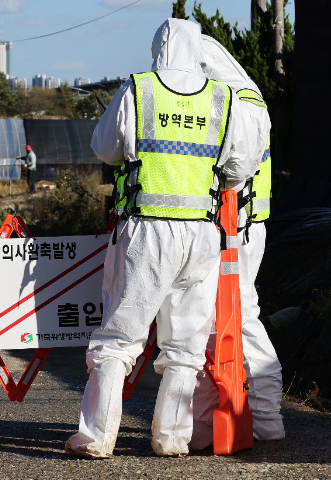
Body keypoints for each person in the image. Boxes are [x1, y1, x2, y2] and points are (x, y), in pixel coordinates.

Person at [65, 18, 251, 459]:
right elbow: (239, 169)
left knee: (119, 337)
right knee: (186, 344)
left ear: (157, 50)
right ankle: (171, 438)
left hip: (147, 229)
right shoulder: (222, 97)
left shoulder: (139, 88)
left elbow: (105, 150)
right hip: (202, 234)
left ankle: (97, 437)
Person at [189, 35, 284, 449]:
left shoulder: (235, 101)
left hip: (235, 228)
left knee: (237, 317)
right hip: (243, 225)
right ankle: (248, 419)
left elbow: (232, 170)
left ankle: (261, 417)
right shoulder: (249, 97)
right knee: (229, 317)